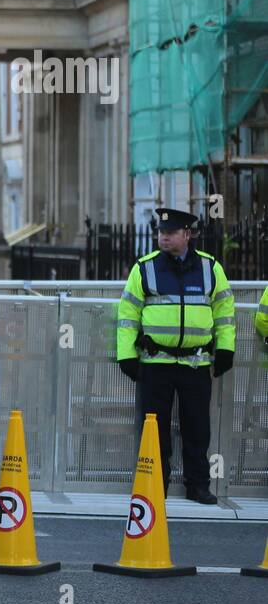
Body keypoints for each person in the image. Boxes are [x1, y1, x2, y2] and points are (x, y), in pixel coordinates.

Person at [116, 207, 233, 504]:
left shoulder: (210, 268)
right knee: (155, 428)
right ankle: (155, 484)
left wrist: (226, 349)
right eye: (160, 232)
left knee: (197, 429)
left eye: (170, 233)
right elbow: (128, 314)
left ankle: (197, 486)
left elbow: (224, 313)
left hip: (196, 363)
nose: (163, 238)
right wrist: (127, 355)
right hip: (156, 364)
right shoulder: (144, 268)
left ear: (187, 234)